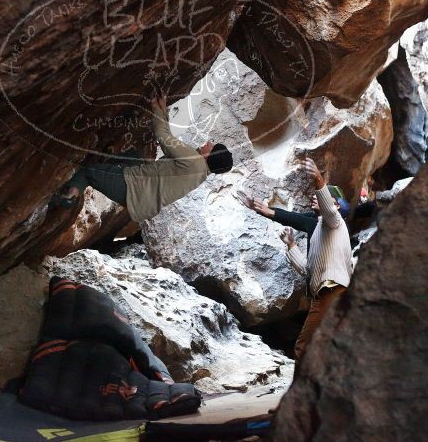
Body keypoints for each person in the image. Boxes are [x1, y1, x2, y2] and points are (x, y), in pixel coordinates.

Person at [51, 94, 233, 222]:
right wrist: (164, 112)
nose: (208, 143)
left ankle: (69, 197)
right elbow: (170, 146)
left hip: (131, 187)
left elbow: (162, 135)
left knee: (88, 171)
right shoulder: (199, 173)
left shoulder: (194, 160)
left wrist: (155, 106)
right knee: (134, 156)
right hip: (140, 200)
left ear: (211, 154)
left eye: (212, 145)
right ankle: (107, 163)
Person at [238, 158, 352, 361]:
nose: (315, 198)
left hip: (331, 291)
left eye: (324, 198)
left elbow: (328, 210)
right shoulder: (318, 229)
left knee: (304, 346)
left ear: (335, 205)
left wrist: (319, 180)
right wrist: (291, 246)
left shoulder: (335, 222)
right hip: (326, 294)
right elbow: (309, 269)